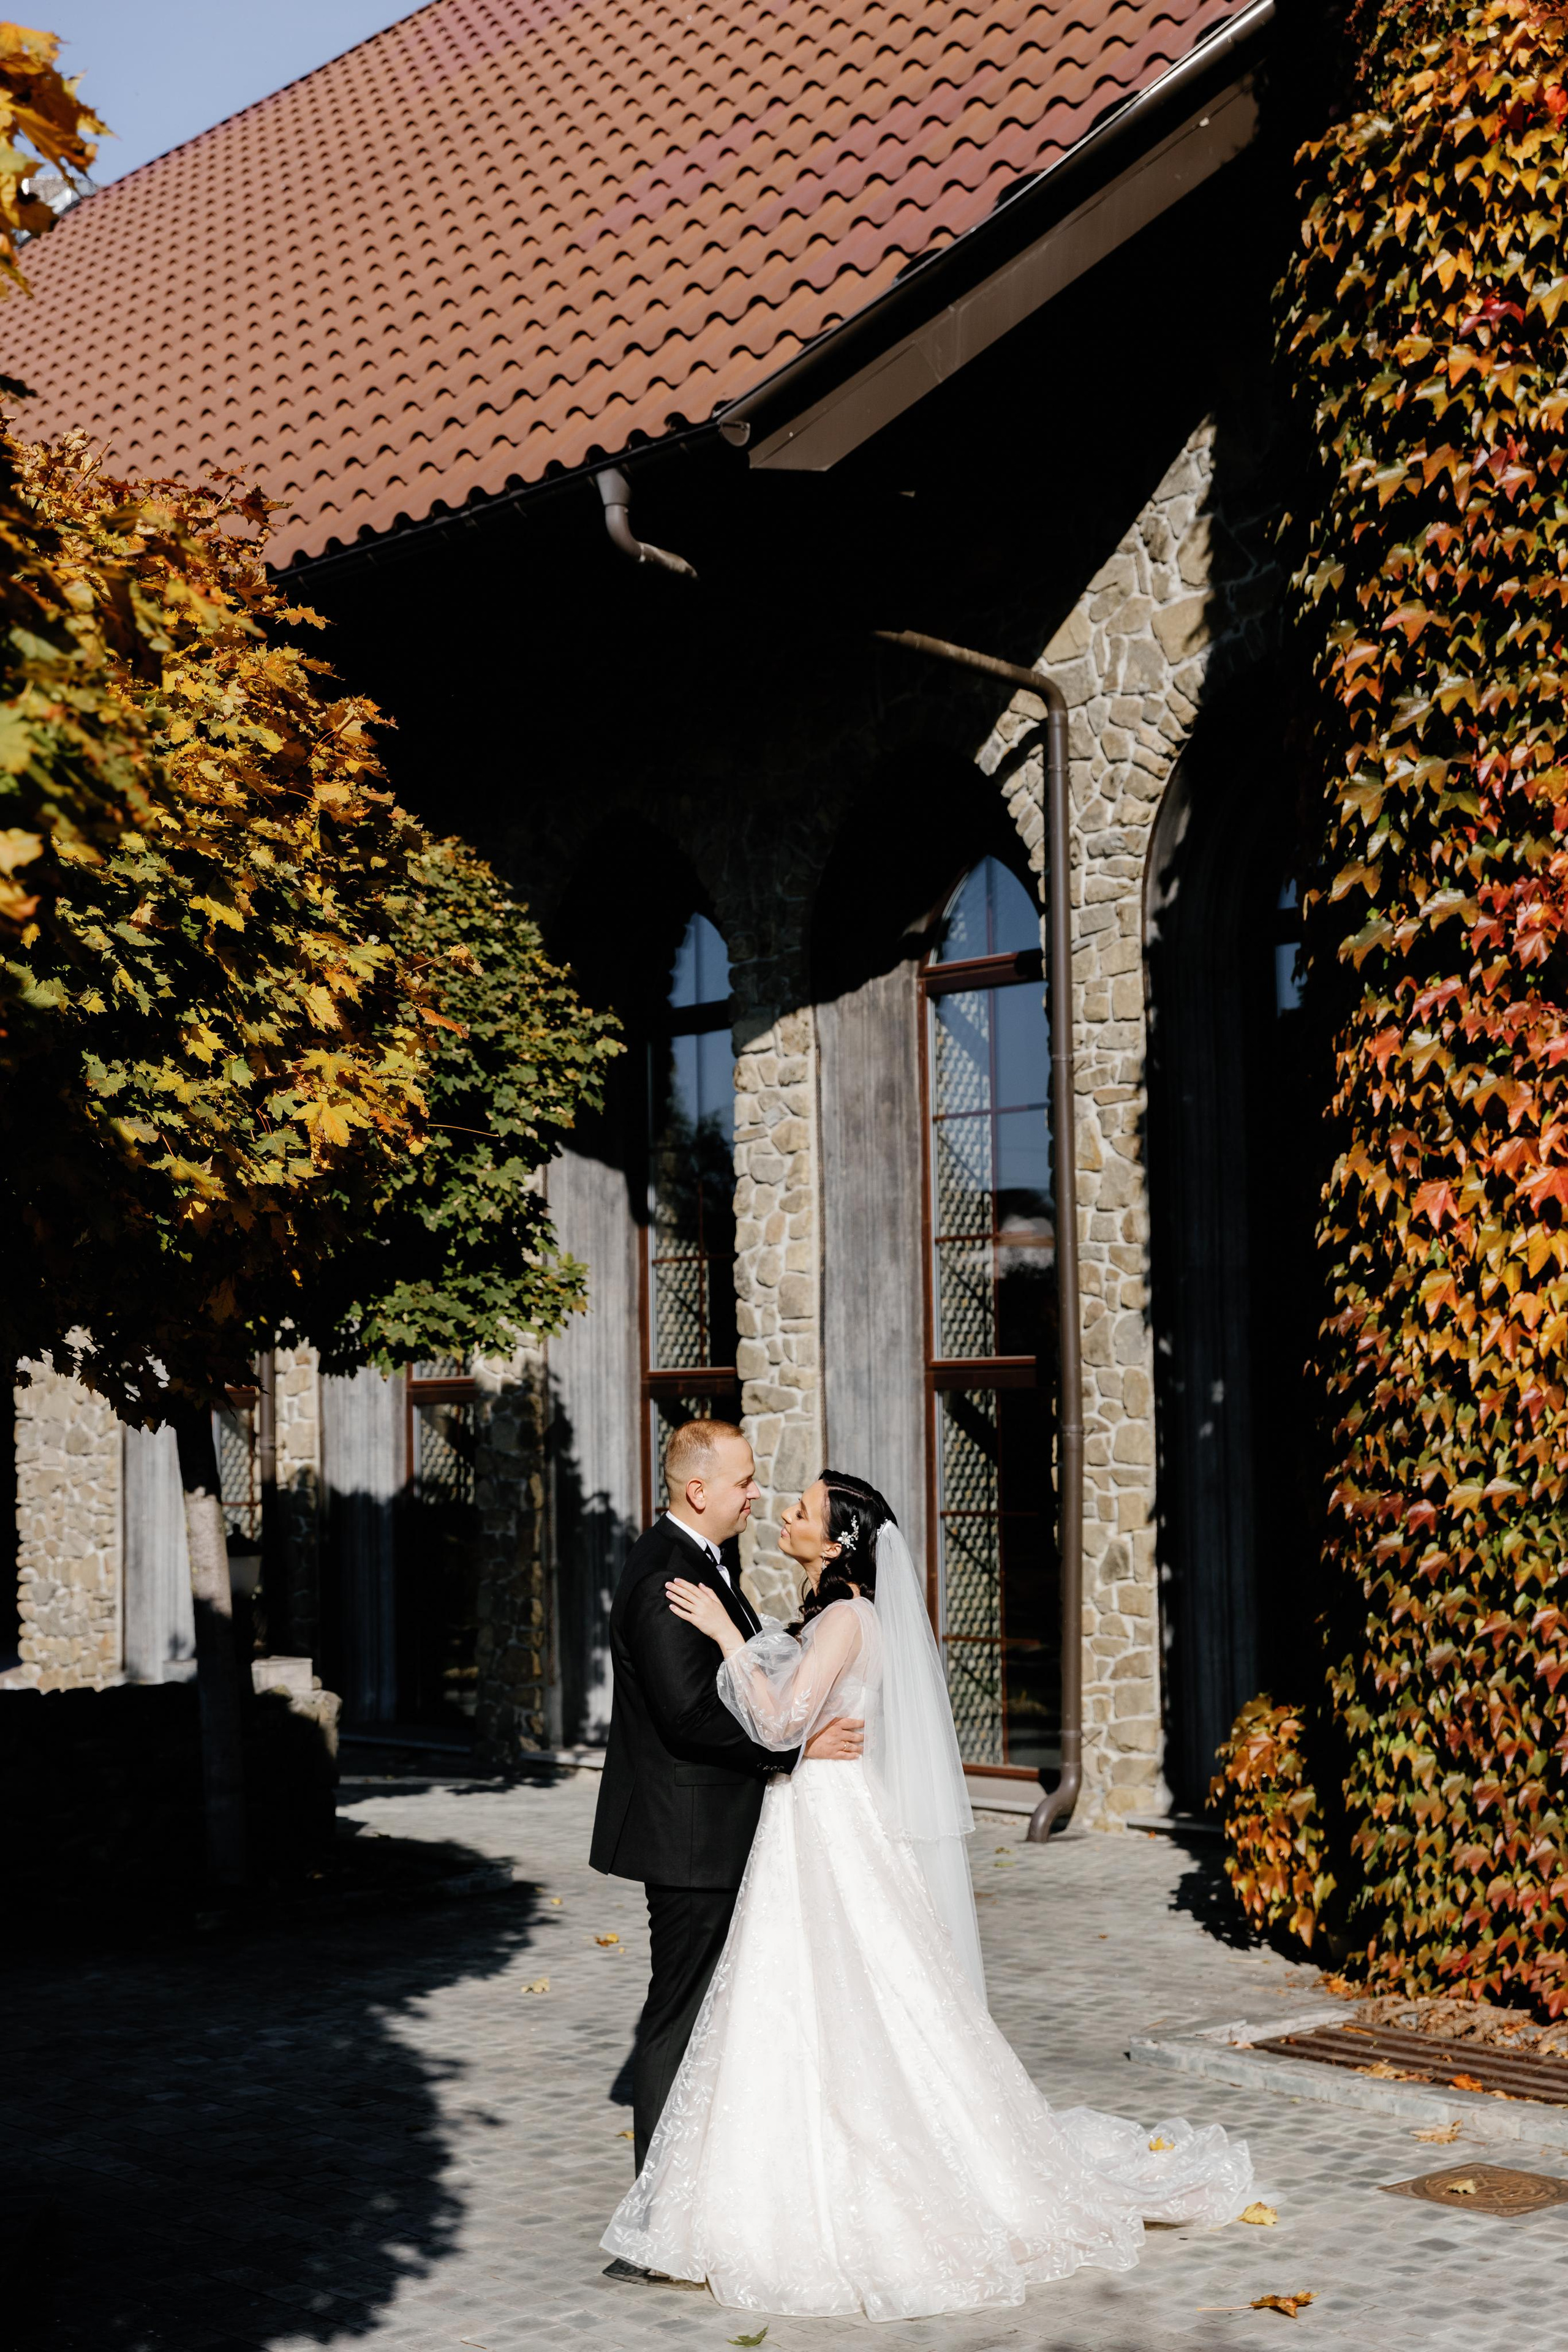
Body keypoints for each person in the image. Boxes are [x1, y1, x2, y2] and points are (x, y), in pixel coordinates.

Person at [601, 1471, 1254, 2322]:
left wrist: (728, 1637)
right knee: (803, 1997)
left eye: (802, 1508)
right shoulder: (827, 1615)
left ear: (836, 1545)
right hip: (811, 1822)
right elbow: (800, 1719)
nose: (786, 1512)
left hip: (828, 1826)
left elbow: (774, 1724)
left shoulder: (846, 1618)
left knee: (855, 1995)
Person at [589, 1418, 864, 2269]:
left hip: (711, 1827)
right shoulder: (664, 1576)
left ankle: (699, 2205)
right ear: (697, 1489)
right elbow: (691, 1714)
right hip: (690, 1839)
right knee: (677, 2021)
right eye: (745, 1481)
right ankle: (654, 2231)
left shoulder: (703, 1565)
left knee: (710, 2016)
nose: (758, 1494)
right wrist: (796, 1746)